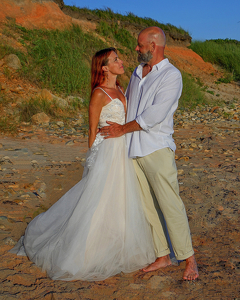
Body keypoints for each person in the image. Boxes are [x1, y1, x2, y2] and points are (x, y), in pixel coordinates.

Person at [10, 47, 156, 281]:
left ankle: (118, 240)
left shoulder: (121, 88)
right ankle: (85, 249)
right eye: (115, 59)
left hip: (123, 148)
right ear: (104, 68)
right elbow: (91, 130)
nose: (121, 61)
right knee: (99, 198)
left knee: (122, 197)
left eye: (119, 58)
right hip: (108, 149)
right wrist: (92, 160)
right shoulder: (99, 93)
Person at [100, 27, 199, 281]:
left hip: (156, 148)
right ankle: (162, 256)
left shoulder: (171, 75)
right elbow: (128, 103)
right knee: (148, 208)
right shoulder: (136, 72)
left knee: (170, 205)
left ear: (153, 46)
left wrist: (122, 128)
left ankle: (189, 259)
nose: (136, 49)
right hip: (132, 149)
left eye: (140, 45)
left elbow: (154, 115)